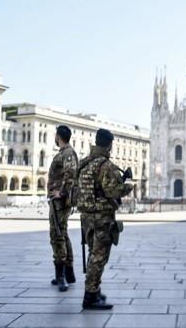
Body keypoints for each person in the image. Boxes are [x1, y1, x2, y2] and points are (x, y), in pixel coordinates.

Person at [77, 128, 133, 310]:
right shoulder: (105, 165)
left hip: (86, 216)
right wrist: (126, 188)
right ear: (110, 144)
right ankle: (90, 296)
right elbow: (112, 191)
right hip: (101, 217)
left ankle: (94, 290)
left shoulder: (85, 163)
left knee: (93, 254)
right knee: (99, 256)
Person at [47, 125, 78, 292]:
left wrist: (62, 192)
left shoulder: (67, 153)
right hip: (57, 201)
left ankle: (61, 277)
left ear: (58, 136)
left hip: (60, 202)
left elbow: (71, 174)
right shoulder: (64, 153)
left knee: (57, 234)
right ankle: (69, 273)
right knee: (63, 233)